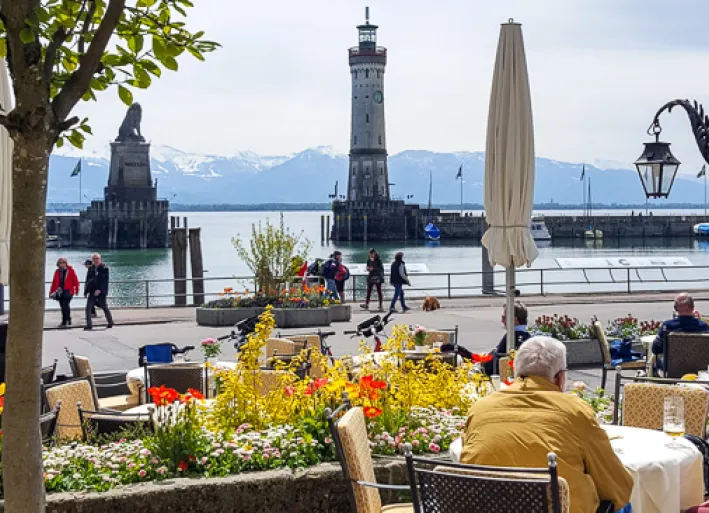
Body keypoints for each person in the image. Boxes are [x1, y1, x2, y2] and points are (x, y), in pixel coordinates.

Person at [460, 336, 633, 513]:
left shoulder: (480, 409)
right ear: (560, 378)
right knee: (624, 506)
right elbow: (616, 486)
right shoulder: (575, 411)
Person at [442, 301, 531, 374]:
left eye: (504, 317)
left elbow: (493, 363)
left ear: (514, 320)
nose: (501, 320)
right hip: (488, 363)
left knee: (452, 353)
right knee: (456, 350)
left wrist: (479, 362)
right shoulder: (528, 338)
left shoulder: (511, 337)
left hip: (487, 369)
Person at [652, 292, 709, 372]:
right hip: (699, 369)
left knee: (655, 362)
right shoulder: (704, 326)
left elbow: (656, 349)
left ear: (675, 308)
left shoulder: (667, 326)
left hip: (671, 369)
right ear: (692, 307)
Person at [84, 253, 114, 330]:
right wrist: (86, 291)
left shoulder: (104, 269)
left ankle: (110, 322)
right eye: (94, 259)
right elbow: (88, 280)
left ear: (100, 260)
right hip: (92, 291)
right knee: (88, 307)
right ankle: (89, 325)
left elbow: (104, 281)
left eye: (97, 259)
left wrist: (100, 289)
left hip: (101, 291)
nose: (96, 260)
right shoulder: (91, 269)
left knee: (104, 307)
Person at [49, 257, 80, 327]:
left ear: (66, 263)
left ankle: (65, 320)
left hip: (68, 291)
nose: (62, 264)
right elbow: (54, 282)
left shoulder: (70, 271)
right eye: (60, 263)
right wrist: (51, 292)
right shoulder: (57, 272)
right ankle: (67, 319)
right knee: (62, 306)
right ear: (58, 264)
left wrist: (77, 290)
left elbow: (76, 281)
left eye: (64, 262)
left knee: (65, 305)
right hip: (60, 291)